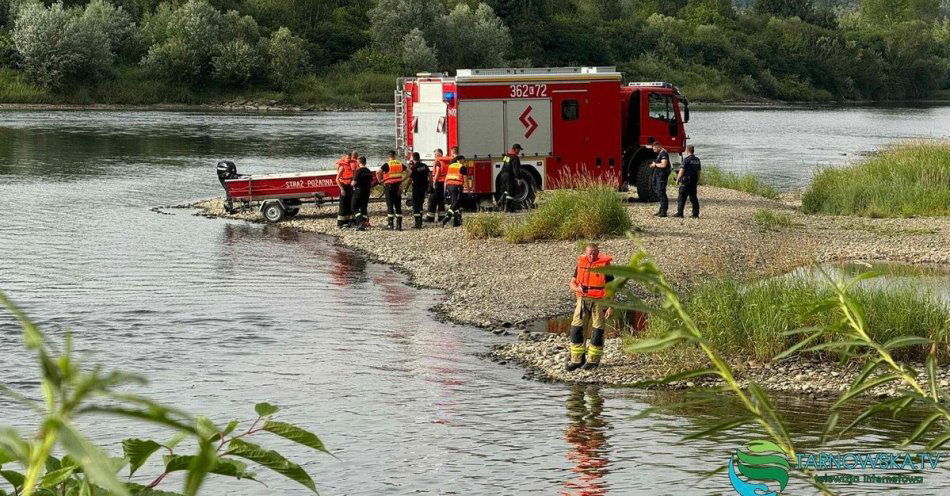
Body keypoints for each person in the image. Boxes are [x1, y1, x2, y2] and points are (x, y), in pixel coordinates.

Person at [566, 243, 614, 372]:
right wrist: (577, 288)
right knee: (576, 329)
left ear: (598, 253)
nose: (592, 256)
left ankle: (593, 361)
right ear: (585, 253)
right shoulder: (580, 264)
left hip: (599, 301)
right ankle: (577, 360)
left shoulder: (605, 267)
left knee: (597, 331)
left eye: (594, 253)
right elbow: (572, 282)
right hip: (582, 300)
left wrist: (610, 306)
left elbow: (611, 288)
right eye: (590, 253)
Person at [379, 150, 406, 230]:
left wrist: (381, 181)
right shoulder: (400, 163)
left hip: (389, 187)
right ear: (395, 156)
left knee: (390, 205)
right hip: (398, 187)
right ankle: (399, 226)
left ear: (389, 156)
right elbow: (409, 171)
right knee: (398, 205)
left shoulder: (387, 164)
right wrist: (403, 179)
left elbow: (378, 172)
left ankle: (390, 225)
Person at [426, 147, 452, 222]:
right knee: (441, 200)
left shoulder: (438, 162)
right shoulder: (446, 162)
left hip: (437, 182)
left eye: (435, 154)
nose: (434, 156)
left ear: (438, 154)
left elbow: (437, 172)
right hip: (443, 182)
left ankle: (430, 218)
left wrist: (434, 183)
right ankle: (441, 217)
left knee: (432, 200)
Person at [675, 144, 701, 218]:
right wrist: (697, 179)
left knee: (682, 197)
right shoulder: (697, 160)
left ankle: (680, 213)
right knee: (693, 198)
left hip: (686, 182)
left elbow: (682, 170)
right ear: (693, 150)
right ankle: (695, 214)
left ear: (687, 150)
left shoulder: (686, 160)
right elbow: (699, 171)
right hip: (694, 181)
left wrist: (677, 180)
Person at [442, 154, 468, 227]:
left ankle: (456, 221)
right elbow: (465, 179)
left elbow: (447, 176)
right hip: (457, 185)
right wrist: (468, 189)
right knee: (455, 202)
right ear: (459, 160)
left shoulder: (450, 166)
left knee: (457, 203)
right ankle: (447, 217)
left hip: (449, 185)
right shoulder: (462, 167)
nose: (464, 162)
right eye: (464, 160)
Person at [407, 152, 431, 229]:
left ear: (413, 158)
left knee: (415, 205)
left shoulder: (413, 168)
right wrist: (430, 185)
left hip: (416, 188)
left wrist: (406, 188)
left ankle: (418, 223)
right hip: (424, 187)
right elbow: (430, 175)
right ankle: (420, 220)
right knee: (421, 203)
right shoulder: (424, 166)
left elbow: (410, 179)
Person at [351, 156, 375, 230]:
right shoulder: (369, 171)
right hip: (367, 191)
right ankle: (365, 222)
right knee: (364, 208)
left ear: (358, 162)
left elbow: (353, 183)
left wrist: (352, 184)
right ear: (365, 162)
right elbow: (371, 182)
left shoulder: (358, 171)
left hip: (358, 191)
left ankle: (361, 222)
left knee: (354, 208)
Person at [650, 141, 671, 217]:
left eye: (654, 148)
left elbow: (664, 164)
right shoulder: (661, 153)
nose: (654, 150)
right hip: (659, 175)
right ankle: (661, 209)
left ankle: (664, 211)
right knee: (659, 192)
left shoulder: (663, 153)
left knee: (661, 192)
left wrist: (655, 164)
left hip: (662, 176)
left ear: (658, 146)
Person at [500, 143, 522, 212]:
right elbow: (515, 169)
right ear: (515, 149)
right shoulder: (515, 158)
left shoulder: (507, 155)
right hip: (509, 176)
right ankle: (508, 208)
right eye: (518, 150)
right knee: (511, 192)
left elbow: (505, 163)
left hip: (503, 175)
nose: (519, 151)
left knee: (506, 191)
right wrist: (519, 178)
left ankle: (501, 206)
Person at [335, 152, 354, 228]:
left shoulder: (350, 165)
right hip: (344, 186)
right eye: (347, 158)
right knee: (343, 205)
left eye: (350, 158)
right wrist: (342, 189)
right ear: (344, 158)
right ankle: (340, 223)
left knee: (350, 203)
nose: (349, 160)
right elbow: (337, 179)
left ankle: (348, 221)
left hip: (350, 186)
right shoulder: (342, 167)